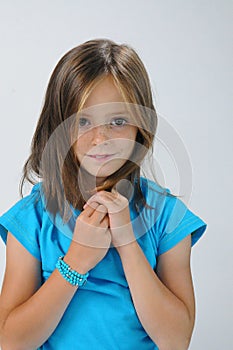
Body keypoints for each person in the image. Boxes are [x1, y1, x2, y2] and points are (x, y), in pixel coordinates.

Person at [0, 39, 207, 350]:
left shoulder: (166, 216)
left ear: (142, 126)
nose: (101, 138)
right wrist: (76, 262)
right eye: (83, 121)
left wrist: (127, 241)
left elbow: (176, 339)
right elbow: (11, 342)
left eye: (118, 121)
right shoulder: (33, 218)